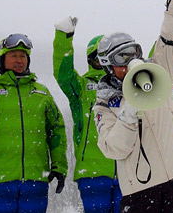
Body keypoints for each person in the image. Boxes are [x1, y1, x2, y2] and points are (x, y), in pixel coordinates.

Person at [93, 0, 173, 212]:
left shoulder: (157, 72)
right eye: (122, 59)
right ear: (108, 66)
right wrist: (130, 109)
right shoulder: (104, 105)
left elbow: (172, 34)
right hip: (141, 188)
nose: (130, 63)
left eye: (134, 54)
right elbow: (113, 148)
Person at [0, 34, 68, 213]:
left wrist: (59, 166)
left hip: (35, 180)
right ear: (2, 59)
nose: (19, 60)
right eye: (13, 56)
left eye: (23, 56)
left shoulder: (41, 92)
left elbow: (56, 130)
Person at [53, 19, 121, 212]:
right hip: (93, 172)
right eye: (99, 57)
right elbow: (63, 75)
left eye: (109, 56)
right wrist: (63, 38)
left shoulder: (128, 85)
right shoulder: (81, 87)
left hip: (128, 172)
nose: (104, 62)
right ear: (92, 60)